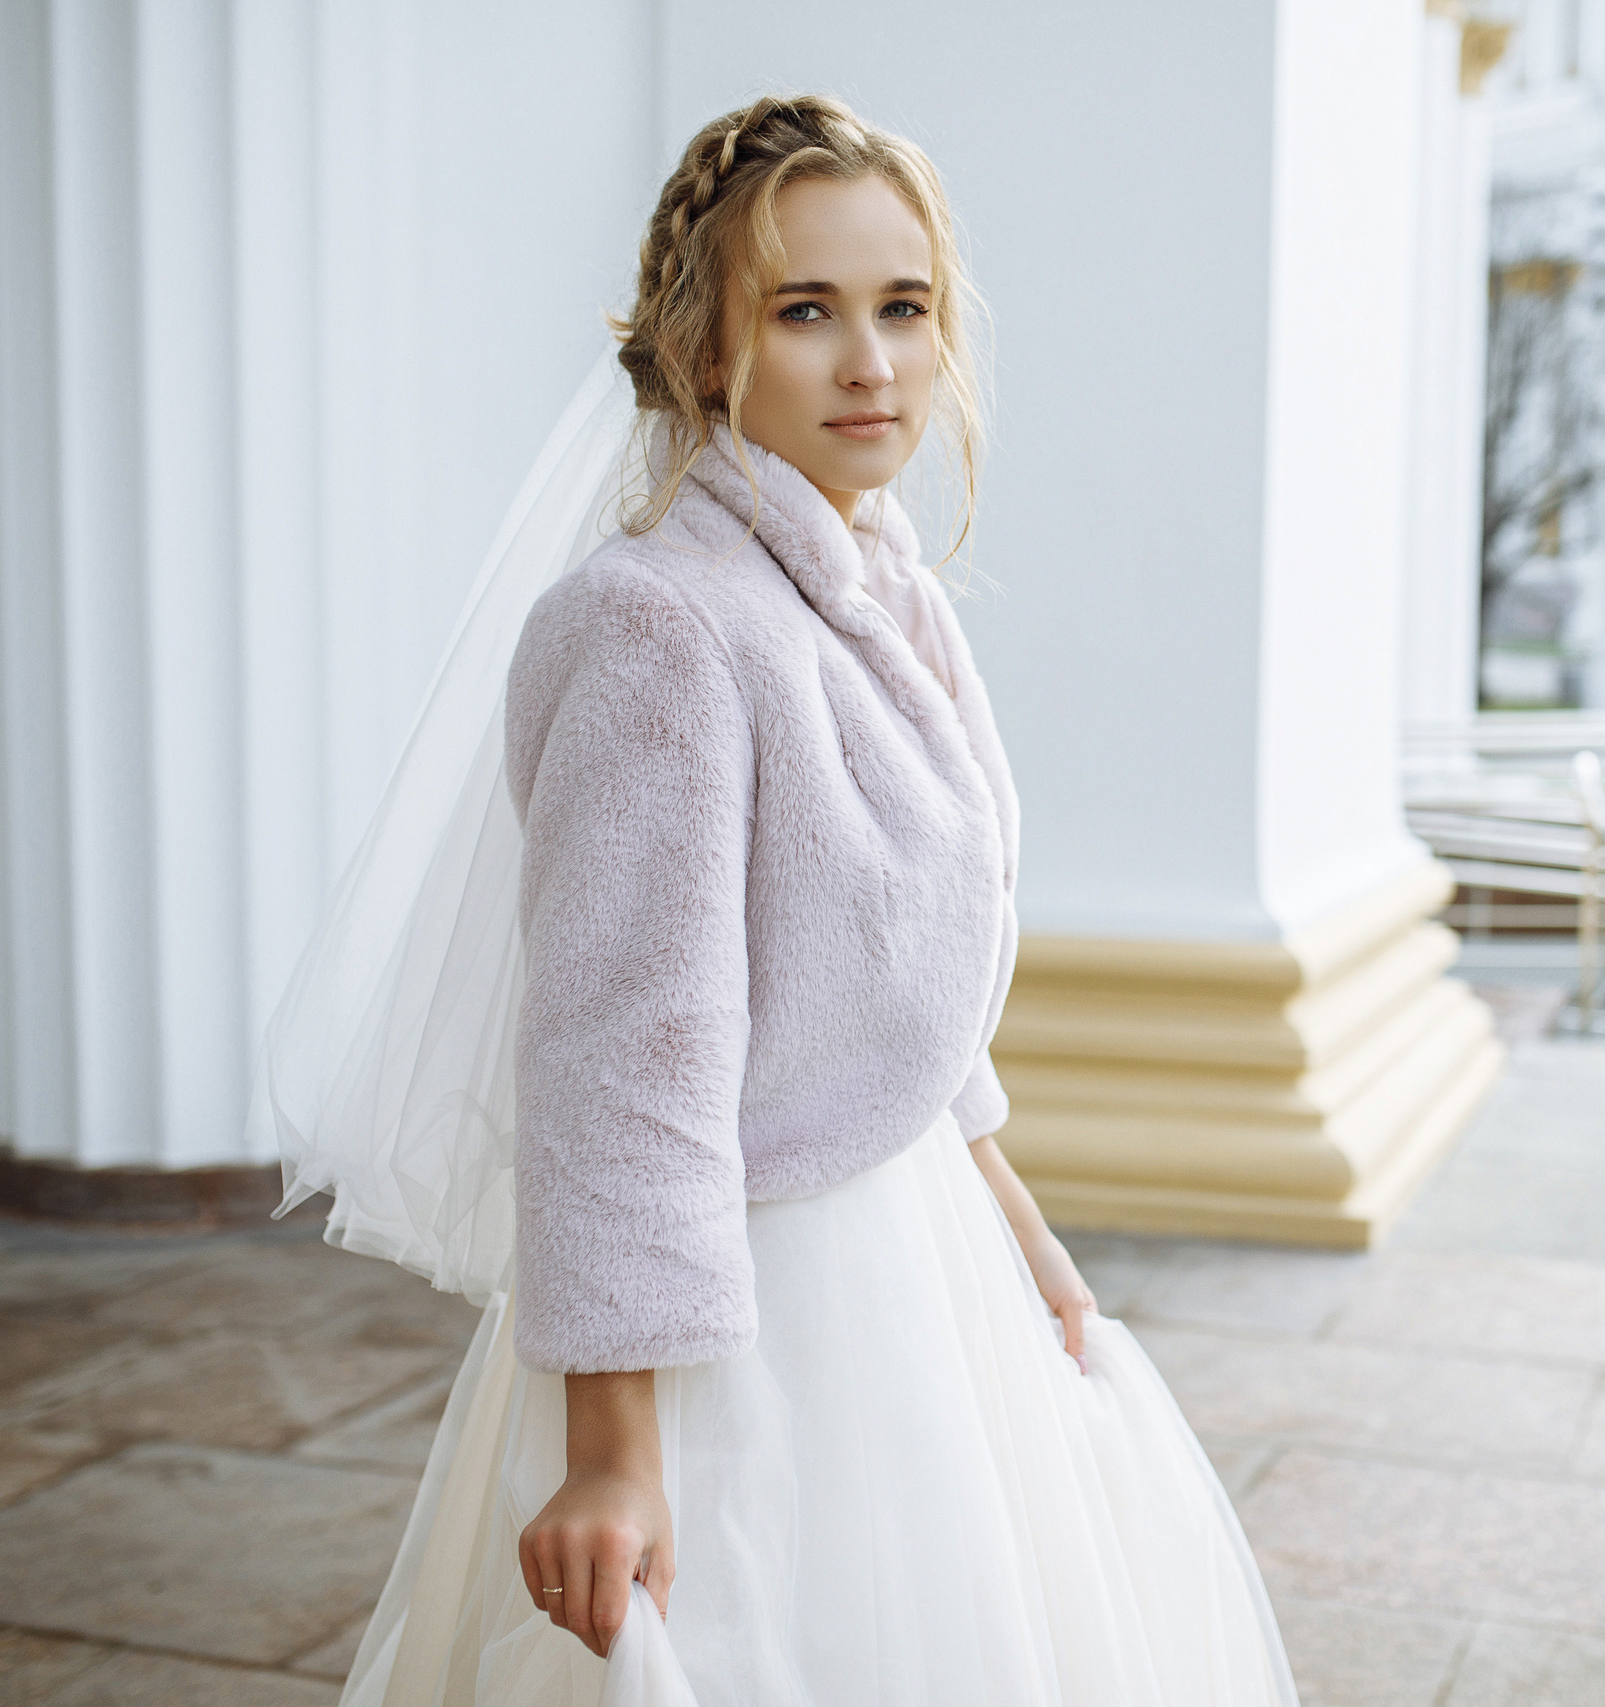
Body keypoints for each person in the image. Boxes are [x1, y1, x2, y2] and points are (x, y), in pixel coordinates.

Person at [258, 96, 1296, 1705]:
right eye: (806, 311)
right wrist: (614, 1452)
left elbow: (909, 982)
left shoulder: (890, 599)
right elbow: (619, 1061)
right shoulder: (660, 631)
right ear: (706, 347)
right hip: (738, 1313)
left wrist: (1028, 1249)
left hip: (920, 1254)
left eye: (905, 307)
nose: (871, 361)